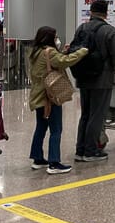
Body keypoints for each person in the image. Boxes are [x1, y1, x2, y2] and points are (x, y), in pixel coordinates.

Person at [27, 26, 89, 174]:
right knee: (56, 129)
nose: (57, 39)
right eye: (55, 37)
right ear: (49, 38)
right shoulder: (50, 51)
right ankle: (54, 163)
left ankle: (38, 159)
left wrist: (63, 52)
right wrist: (82, 51)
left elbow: (53, 61)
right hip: (50, 97)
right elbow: (65, 62)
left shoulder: (36, 52)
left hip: (38, 95)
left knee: (41, 127)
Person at [73, 0, 115, 162]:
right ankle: (91, 151)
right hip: (101, 78)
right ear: (106, 13)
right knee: (97, 115)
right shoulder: (109, 31)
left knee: (86, 114)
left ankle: (80, 150)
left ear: (91, 11)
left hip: (83, 77)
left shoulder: (81, 28)